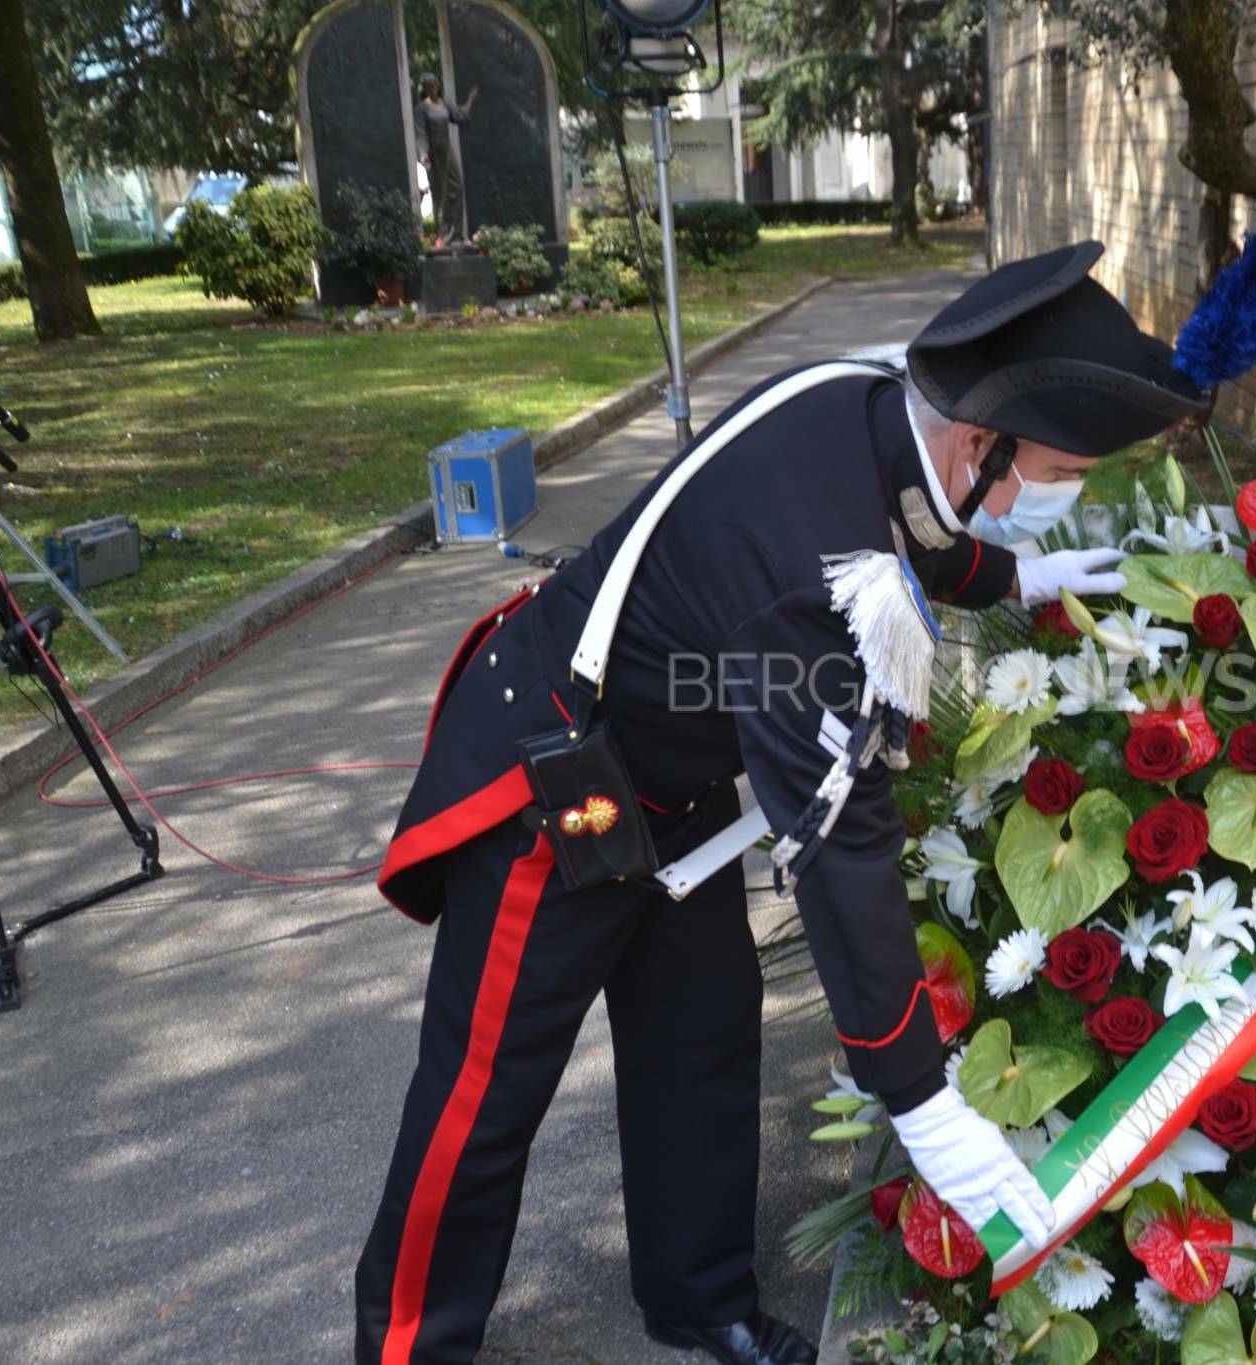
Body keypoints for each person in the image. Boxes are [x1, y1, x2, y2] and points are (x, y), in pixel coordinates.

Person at [354, 242, 1209, 1365]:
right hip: (551, 782)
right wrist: (920, 1098)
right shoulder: (804, 581)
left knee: (700, 1040)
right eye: (1052, 474)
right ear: (977, 440)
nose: (1057, 499)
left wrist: (1011, 578)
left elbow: (913, 524)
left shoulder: (867, 412)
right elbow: (839, 845)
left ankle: (696, 1296)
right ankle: (408, 1345)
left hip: (676, 782)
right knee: (483, 1096)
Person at [415, 73, 478, 248]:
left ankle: (457, 232)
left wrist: (471, 100)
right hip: (434, 154)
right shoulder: (422, 109)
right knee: (440, 193)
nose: (432, 89)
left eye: (434, 85)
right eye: (429, 87)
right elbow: (420, 134)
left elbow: (461, 116)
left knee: (457, 186)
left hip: (447, 151)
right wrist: (423, 154)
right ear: (425, 89)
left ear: (438, 86)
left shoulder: (444, 105)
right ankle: (443, 233)